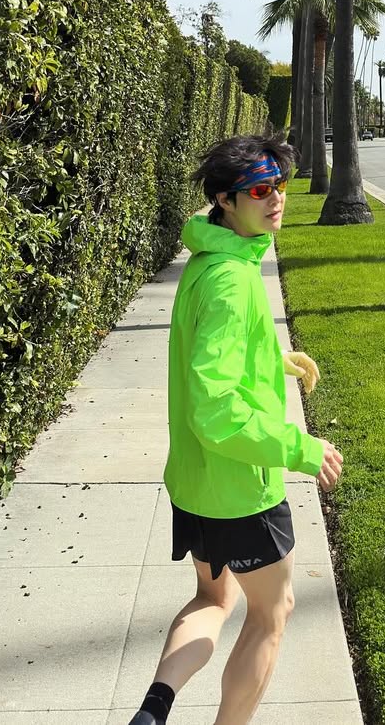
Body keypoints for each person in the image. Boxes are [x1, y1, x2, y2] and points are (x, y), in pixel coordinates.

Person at [127, 134, 343, 725]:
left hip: (196, 486)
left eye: (280, 186)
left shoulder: (212, 261)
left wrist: (275, 359)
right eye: (261, 190)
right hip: (241, 491)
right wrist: (299, 447)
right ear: (225, 199)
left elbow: (216, 356)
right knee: (272, 613)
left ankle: (153, 711)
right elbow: (216, 408)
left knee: (213, 597)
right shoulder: (231, 280)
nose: (277, 199)